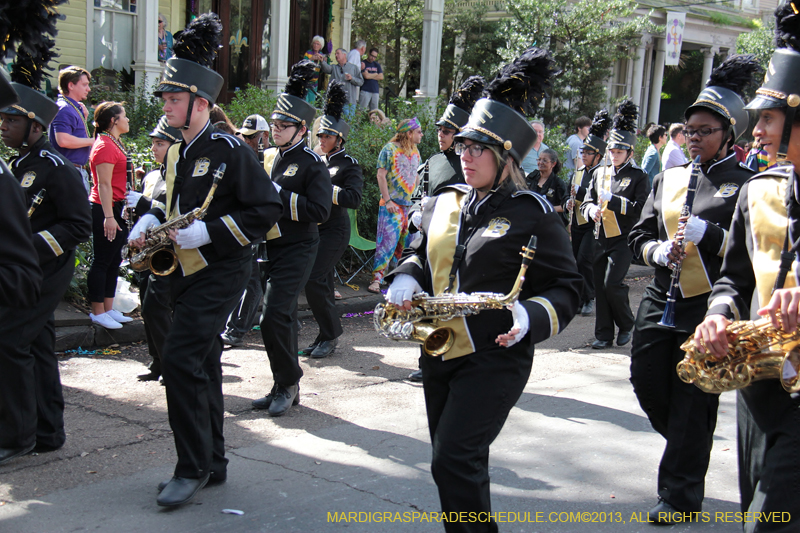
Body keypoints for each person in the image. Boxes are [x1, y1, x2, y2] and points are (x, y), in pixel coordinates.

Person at [385, 47, 581, 533]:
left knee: (453, 459)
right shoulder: (444, 201)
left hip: (495, 353)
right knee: (453, 462)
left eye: (477, 150)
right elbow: (419, 248)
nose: (464, 156)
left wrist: (530, 315)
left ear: (503, 156)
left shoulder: (531, 211)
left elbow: (568, 287)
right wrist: (407, 274)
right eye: (463, 147)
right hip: (438, 348)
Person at [128, 14, 283, 507]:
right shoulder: (177, 152)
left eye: (174, 99)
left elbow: (266, 209)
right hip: (184, 268)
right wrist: (149, 219)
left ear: (200, 103)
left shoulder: (229, 148)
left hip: (222, 268)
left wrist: (209, 231)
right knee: (203, 363)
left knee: (179, 359)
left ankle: (189, 466)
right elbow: (169, 201)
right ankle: (212, 461)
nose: (167, 106)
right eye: (167, 99)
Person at [628, 55, 760, 525]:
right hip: (660, 299)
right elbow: (637, 238)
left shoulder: (747, 185)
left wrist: (714, 237)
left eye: (705, 130)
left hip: (707, 309)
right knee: (647, 383)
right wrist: (658, 253)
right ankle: (690, 446)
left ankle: (679, 496)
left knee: (691, 401)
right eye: (689, 130)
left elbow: (750, 256)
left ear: (729, 132)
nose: (695, 137)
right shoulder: (670, 177)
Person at [692, 5, 800, 529]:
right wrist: (718, 313)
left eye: (769, 118)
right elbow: (734, 275)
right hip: (762, 381)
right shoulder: (760, 192)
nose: (756, 130)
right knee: (754, 506)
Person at [0, 37, 91, 466]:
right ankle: (48, 431)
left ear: (36, 126)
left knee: (10, 341)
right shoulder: (18, 167)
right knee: (35, 344)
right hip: (24, 269)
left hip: (45, 269)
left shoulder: (55, 169)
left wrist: (27, 247)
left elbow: (77, 226)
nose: (3, 125)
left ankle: (15, 434)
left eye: (11, 120)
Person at [251, 60, 332, 417]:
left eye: (284, 125)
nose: (277, 129)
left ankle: (288, 382)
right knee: (275, 318)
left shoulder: (312, 163)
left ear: (301, 129)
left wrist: (277, 195)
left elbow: (320, 212)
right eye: (275, 124)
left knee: (273, 316)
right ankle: (281, 383)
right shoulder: (275, 159)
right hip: (273, 246)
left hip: (300, 246)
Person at [407, 75, 485, 382]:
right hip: (429, 240)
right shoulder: (432, 161)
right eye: (440, 128)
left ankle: (458, 358)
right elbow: (417, 194)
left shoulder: (471, 165)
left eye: (448, 130)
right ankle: (427, 359)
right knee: (425, 302)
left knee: (452, 303)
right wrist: (416, 213)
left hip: (460, 243)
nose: (441, 134)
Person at [580, 100, 650, 349]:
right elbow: (585, 202)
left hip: (623, 238)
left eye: (619, 152)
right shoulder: (599, 173)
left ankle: (627, 323)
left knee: (613, 284)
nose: (614, 155)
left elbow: (640, 210)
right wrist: (591, 210)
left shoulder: (639, 176)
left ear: (630, 152)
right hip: (600, 236)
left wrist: (615, 200)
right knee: (600, 287)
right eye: (611, 151)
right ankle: (603, 334)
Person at [301, 81, 363, 359]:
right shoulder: (318, 161)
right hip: (317, 229)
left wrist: (329, 190)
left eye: (327, 136)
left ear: (339, 139)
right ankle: (327, 334)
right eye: (320, 135)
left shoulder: (349, 164)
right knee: (320, 283)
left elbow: (354, 198)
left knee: (313, 279)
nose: (321, 140)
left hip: (336, 230)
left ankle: (330, 334)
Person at [126, 116, 181, 381]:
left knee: (156, 307)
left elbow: (172, 212)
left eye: (160, 143)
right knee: (147, 305)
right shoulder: (154, 176)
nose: (153, 148)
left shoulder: (179, 174)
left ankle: (170, 363)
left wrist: (144, 205)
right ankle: (158, 361)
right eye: (153, 143)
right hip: (150, 251)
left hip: (172, 250)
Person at [220, 113, 271, 347]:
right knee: (251, 283)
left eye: (252, 136)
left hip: (247, 229)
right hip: (246, 230)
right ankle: (235, 329)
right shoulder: (247, 156)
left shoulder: (245, 152)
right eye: (249, 136)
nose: (249, 140)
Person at [87, 101, 133, 330]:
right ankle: (97, 311)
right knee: (103, 260)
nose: (127, 119)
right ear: (114, 120)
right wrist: (109, 217)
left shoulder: (114, 142)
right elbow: (103, 184)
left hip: (116, 206)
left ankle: (108, 307)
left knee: (114, 260)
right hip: (106, 208)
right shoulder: (104, 145)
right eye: (124, 116)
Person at [368, 118, 422, 294]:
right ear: (409, 133)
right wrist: (388, 200)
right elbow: (380, 176)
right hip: (391, 205)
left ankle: (396, 277)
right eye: (418, 132)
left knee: (406, 245)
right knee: (386, 243)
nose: (421, 135)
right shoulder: (389, 150)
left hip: (408, 206)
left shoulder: (415, 151)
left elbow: (416, 176)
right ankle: (377, 279)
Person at [567, 110, 611, 317]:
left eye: (588, 153)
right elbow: (569, 194)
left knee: (585, 260)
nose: (583, 156)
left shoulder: (603, 173)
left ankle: (589, 298)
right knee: (575, 261)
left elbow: (599, 197)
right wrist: (567, 201)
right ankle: (580, 297)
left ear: (598, 156)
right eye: (582, 152)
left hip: (593, 224)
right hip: (577, 221)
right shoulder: (577, 172)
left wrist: (581, 192)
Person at [49, 66, 93, 193]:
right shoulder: (65, 109)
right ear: (71, 86)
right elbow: (63, 140)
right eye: (84, 85)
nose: (88, 89)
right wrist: (92, 141)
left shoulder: (72, 107)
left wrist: (84, 118)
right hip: (69, 173)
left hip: (73, 171)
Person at [525, 148, 567, 223]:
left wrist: (547, 209)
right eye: (539, 159)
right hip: (530, 219)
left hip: (549, 222)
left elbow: (565, 206)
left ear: (553, 164)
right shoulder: (532, 177)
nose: (541, 162)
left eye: (545, 160)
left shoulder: (558, 183)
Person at [320, 49, 363, 118]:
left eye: (338, 53)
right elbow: (326, 69)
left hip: (349, 102)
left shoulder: (353, 68)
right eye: (335, 54)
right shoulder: (334, 68)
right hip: (335, 102)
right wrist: (322, 61)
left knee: (348, 124)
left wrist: (352, 78)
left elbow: (361, 82)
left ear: (344, 55)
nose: (336, 55)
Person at [303, 35, 328, 104]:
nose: (315, 45)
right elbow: (303, 65)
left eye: (318, 44)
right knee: (305, 102)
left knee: (311, 103)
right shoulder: (308, 53)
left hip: (314, 83)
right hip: (306, 81)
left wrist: (323, 61)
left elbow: (323, 71)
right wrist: (311, 59)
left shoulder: (322, 55)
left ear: (321, 46)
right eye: (314, 43)